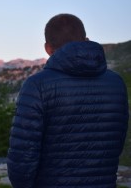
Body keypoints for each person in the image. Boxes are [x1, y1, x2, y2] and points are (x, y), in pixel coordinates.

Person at [7, 13, 129, 188]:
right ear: (86, 40)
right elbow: (117, 144)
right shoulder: (116, 83)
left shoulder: (36, 85)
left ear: (48, 48)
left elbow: (22, 159)